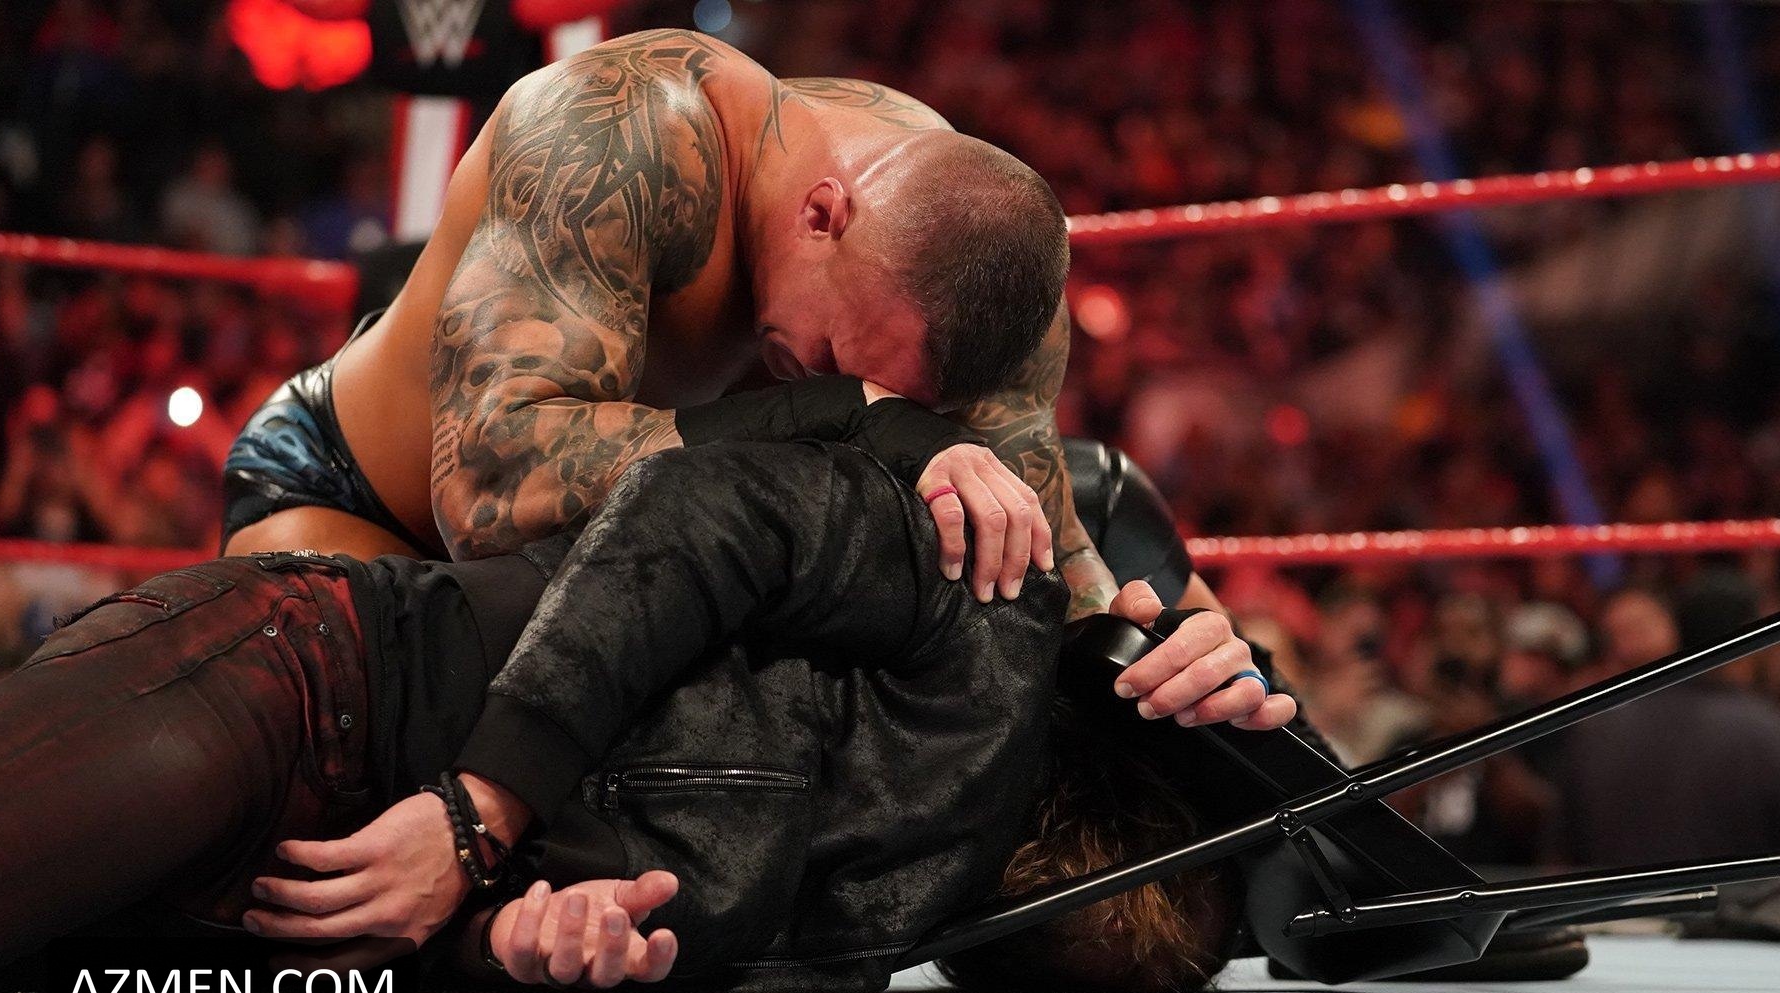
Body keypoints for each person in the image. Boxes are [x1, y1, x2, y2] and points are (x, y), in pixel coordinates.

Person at [0, 415, 1300, 992]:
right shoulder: (987, 590)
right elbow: (698, 507)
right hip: (312, 689)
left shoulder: (872, 934)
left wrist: (515, 944)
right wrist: (483, 810)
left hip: (328, 940)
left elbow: (1351, 909)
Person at [220, 29, 1267, 734]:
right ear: (822, 214)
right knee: (346, 725)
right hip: (364, 497)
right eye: (831, 360)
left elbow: (1040, 570)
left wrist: (1157, 668)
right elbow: (490, 497)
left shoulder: (981, 275)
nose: (857, 394)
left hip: (645, 580)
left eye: (900, 400)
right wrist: (839, 414)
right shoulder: (621, 133)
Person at [1546, 574, 1780, 867]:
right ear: (1749, 641)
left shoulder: (1597, 730)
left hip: (1615, 897)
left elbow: (1558, 856)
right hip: (1736, 897)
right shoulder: (1772, 734)